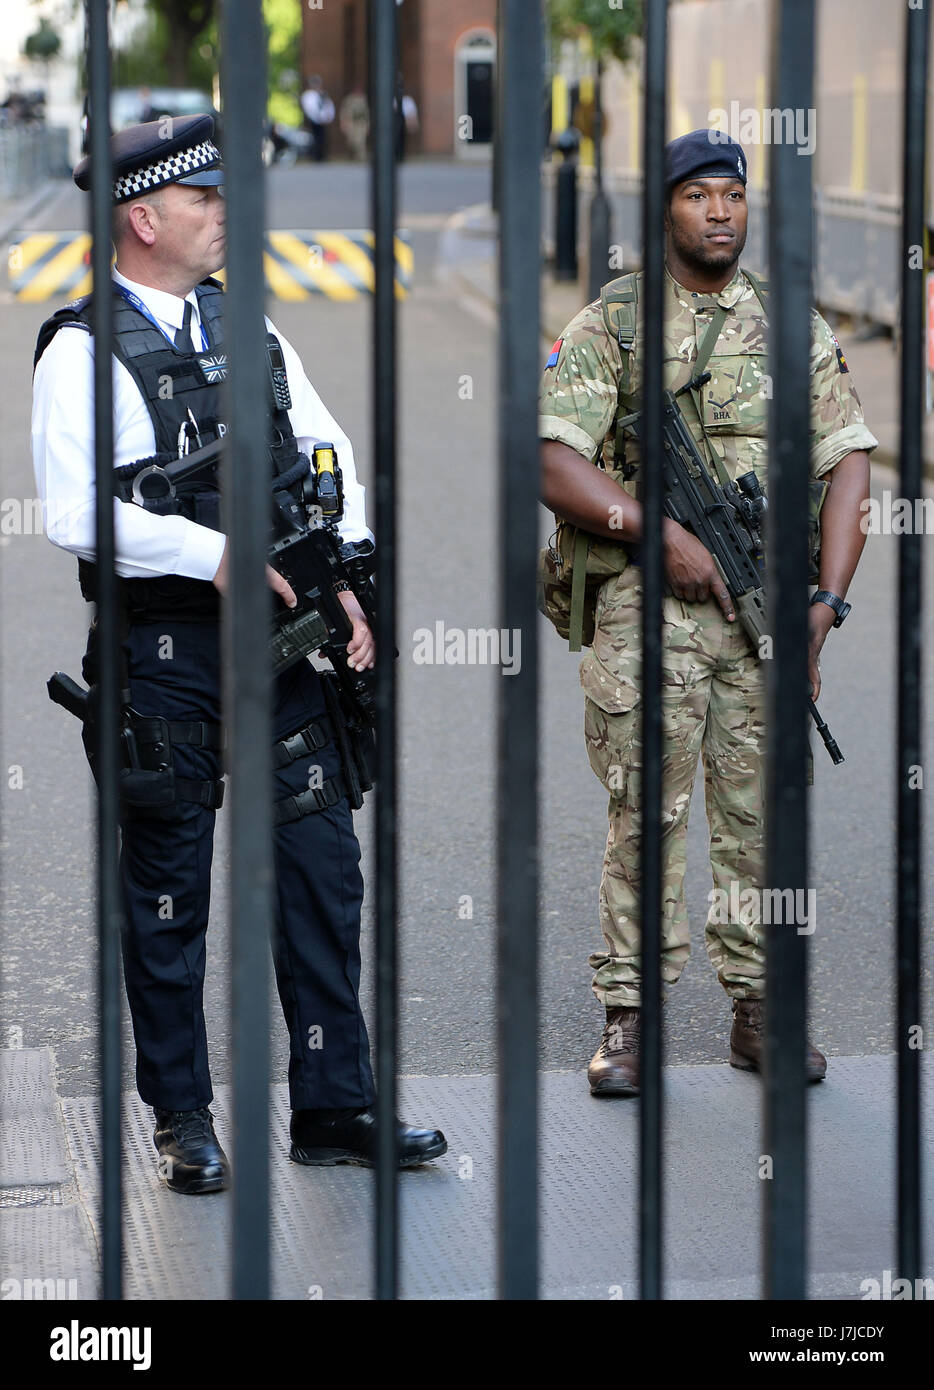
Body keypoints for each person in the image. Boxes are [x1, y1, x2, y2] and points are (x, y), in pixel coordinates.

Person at [32, 115, 445, 1192]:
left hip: (284, 643)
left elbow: (326, 449)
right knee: (169, 890)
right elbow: (75, 514)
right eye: (207, 200)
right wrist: (217, 555)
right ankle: (182, 1118)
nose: (228, 216)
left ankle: (335, 1103)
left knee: (319, 872)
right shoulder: (81, 349)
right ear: (143, 216)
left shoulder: (249, 324)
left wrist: (348, 576)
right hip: (164, 650)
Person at [539, 129, 877, 1096]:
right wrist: (659, 534)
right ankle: (629, 1019)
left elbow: (847, 456)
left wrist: (825, 603)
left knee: (758, 818)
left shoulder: (790, 323)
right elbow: (553, 461)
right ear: (667, 210)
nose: (719, 211)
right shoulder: (615, 324)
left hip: (764, 614)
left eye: (733, 194)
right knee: (645, 811)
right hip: (648, 617)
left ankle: (759, 1013)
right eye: (698, 195)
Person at [300, 76, 335, 163]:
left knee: (323, 138)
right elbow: (310, 108)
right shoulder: (309, 95)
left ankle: (322, 156)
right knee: (315, 138)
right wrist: (317, 117)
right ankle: (315, 156)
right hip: (314, 120)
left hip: (323, 120)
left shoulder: (323, 94)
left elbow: (328, 106)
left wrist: (328, 117)